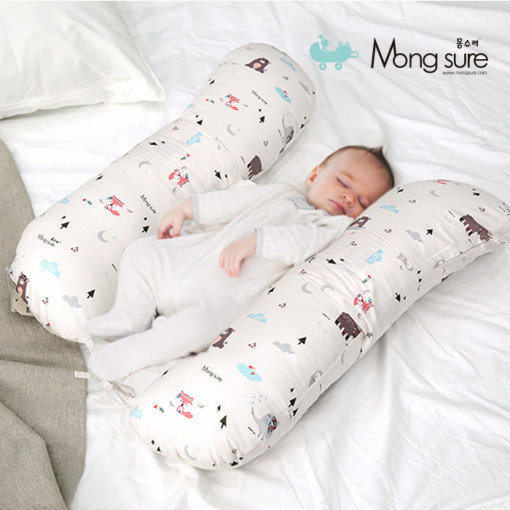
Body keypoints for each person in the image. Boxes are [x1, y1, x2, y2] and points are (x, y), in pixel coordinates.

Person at [85, 145, 394, 380]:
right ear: (314, 175)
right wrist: (187, 209)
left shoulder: (330, 227)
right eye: (343, 182)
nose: (349, 198)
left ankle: (136, 352)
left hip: (220, 298)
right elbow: (231, 203)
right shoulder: (282, 194)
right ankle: (129, 314)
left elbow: (300, 242)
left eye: (363, 202)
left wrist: (258, 241)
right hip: (188, 259)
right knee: (142, 252)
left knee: (198, 328)